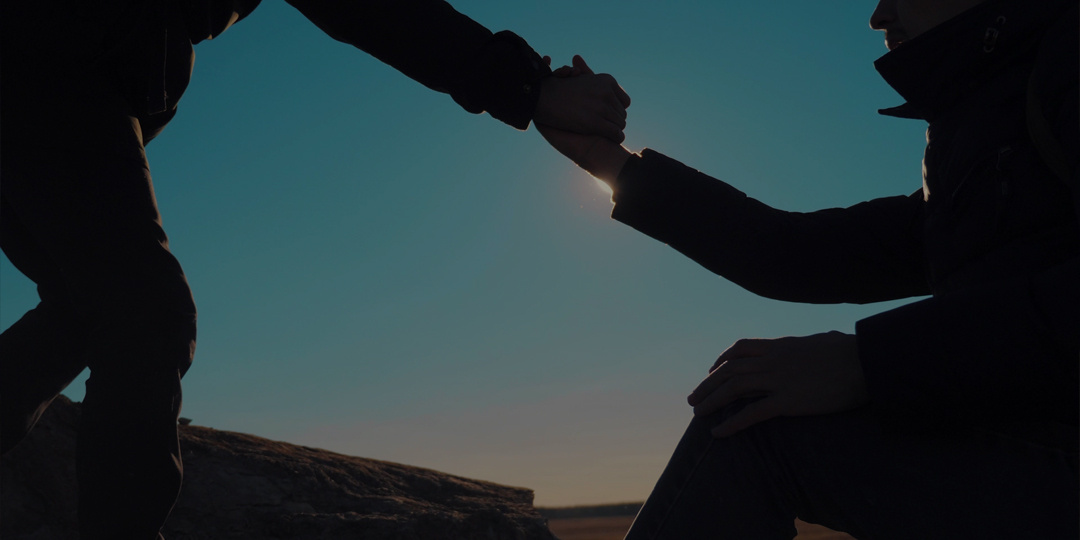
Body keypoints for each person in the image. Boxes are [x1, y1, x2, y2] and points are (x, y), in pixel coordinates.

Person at [0, 0, 630, 538]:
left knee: (85, 310)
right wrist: (534, 88)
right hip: (47, 62)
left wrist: (530, 87)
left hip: (66, 73)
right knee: (146, 314)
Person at [539, 0, 1078, 537]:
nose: (878, 15)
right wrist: (608, 162)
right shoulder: (987, 132)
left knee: (754, 432)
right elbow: (791, 253)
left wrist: (865, 364)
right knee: (750, 409)